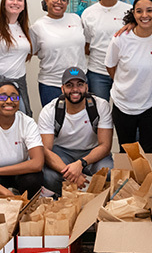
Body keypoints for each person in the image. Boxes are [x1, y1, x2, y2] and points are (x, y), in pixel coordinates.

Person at [39, 67, 113, 196]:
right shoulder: (50, 110)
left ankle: (99, 202)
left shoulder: (100, 106)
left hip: (92, 152)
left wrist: (81, 163)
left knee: (109, 172)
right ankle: (62, 200)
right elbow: (45, 150)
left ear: (86, 87)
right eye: (69, 85)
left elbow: (105, 146)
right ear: (62, 89)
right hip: (62, 152)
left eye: (80, 85)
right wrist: (70, 173)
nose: (75, 90)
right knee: (48, 176)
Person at [105, 0, 152, 153]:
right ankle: (126, 179)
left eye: (149, 11)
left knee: (148, 150)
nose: (144, 15)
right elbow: (110, 66)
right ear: (134, 14)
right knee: (126, 151)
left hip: (151, 104)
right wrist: (126, 83)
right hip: (123, 104)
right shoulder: (121, 38)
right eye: (139, 11)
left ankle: (147, 179)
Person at [31, 0, 87, 106]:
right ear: (46, 1)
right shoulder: (38, 26)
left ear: (67, 3)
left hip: (79, 82)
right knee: (54, 122)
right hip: (52, 84)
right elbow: (32, 51)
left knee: (80, 121)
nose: (59, 2)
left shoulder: (76, 19)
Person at [81, 0, 132, 101]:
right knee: (99, 113)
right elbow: (86, 46)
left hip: (124, 72)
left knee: (123, 114)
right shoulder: (88, 13)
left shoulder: (129, 11)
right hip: (97, 73)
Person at [0, 0, 33, 115]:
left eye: (19, 0)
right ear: (4, 3)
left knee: (22, 123)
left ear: (23, 6)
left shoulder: (25, 29)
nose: (15, 2)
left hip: (17, 87)